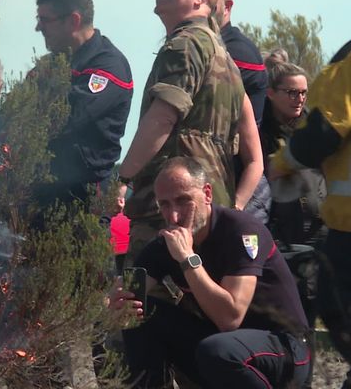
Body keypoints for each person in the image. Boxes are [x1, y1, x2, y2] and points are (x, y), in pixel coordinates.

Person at [111, 157, 311, 388]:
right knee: (139, 315)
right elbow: (127, 292)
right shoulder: (166, 244)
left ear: (207, 194)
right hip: (224, 348)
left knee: (218, 351)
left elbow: (230, 319)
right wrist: (115, 302)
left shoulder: (242, 232)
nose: (174, 216)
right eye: (164, 204)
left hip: (283, 348)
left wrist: (188, 260)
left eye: (183, 200)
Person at [119, 0, 250, 262]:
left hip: (169, 209)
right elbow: (253, 154)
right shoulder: (223, 57)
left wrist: (122, 178)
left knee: (147, 296)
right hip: (207, 209)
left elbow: (163, 118)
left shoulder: (186, 45)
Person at [270, 40, 351, 389]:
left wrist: (279, 164)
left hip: (346, 229)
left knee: (339, 316)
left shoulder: (347, 66)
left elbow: (323, 131)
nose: (298, 99)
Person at [34, 0, 133, 209]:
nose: (38, 27)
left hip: (84, 202)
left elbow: (65, 116)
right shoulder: (50, 63)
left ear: (73, 20)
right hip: (41, 194)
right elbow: (15, 109)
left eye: (45, 20)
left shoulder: (108, 65)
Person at [210, 0, 270, 223]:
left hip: (239, 181)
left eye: (210, 0)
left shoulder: (234, 52)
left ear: (227, 6)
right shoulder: (213, 45)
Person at [260, 62, 324, 246]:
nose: (300, 99)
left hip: (318, 226)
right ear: (271, 93)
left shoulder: (314, 127)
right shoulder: (258, 129)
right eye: (292, 93)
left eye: (304, 93)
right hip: (278, 230)